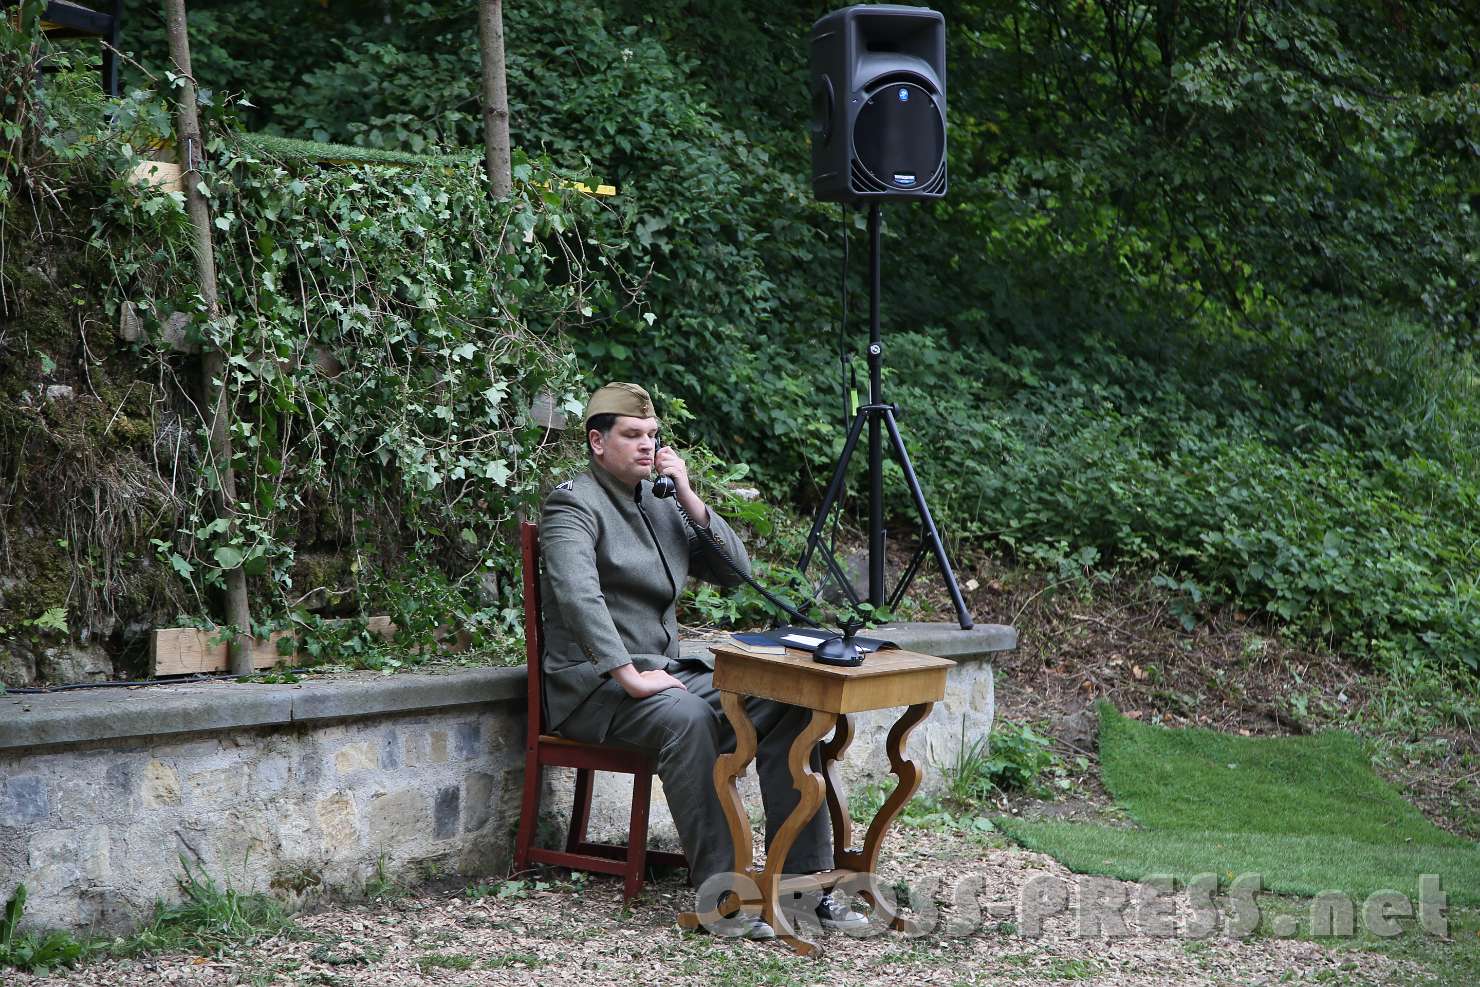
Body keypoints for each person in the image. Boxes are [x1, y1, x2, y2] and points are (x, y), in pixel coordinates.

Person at [539, 382, 867, 938]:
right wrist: (627, 675)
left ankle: (807, 886)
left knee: (791, 703)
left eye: (653, 436)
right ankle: (725, 896)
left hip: (665, 672)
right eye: (632, 435)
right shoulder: (572, 503)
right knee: (687, 720)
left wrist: (688, 495)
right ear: (598, 442)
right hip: (596, 689)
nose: (647, 446)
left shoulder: (659, 500)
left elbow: (736, 572)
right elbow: (578, 597)